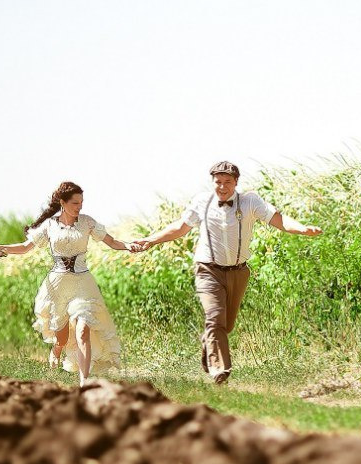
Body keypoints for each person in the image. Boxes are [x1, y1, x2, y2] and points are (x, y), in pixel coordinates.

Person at [130, 161, 322, 384]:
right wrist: (150, 240)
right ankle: (220, 369)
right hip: (207, 270)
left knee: (226, 325)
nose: (222, 187)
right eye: (218, 182)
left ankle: (208, 342)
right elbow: (180, 227)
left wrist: (302, 229)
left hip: (238, 272)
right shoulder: (202, 201)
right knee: (214, 318)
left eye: (227, 182)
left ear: (236, 183)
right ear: (212, 181)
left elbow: (278, 219)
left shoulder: (250, 201)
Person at [0, 181, 131, 386]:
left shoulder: (87, 223)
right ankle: (56, 350)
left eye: (82, 202)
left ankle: (84, 382)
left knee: (83, 328)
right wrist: (1, 248)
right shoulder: (49, 225)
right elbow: (24, 247)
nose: (80, 207)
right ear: (62, 202)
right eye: (75, 203)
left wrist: (130, 246)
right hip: (57, 285)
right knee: (62, 338)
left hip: (83, 283)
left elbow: (112, 242)